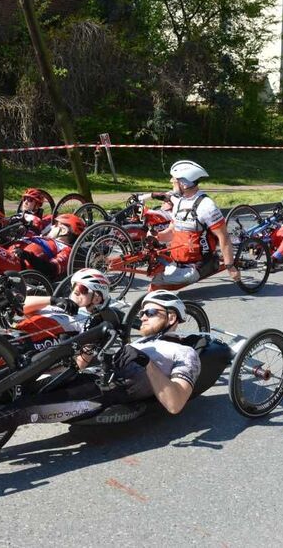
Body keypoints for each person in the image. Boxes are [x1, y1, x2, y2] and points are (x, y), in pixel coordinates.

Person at [104, 290, 201, 415]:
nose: (143, 318)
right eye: (142, 313)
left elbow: (175, 404)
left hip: (107, 390)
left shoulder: (184, 352)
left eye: (150, 313)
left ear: (171, 317)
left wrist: (147, 363)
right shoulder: (139, 343)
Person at [152, 160, 240, 288]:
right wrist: (156, 237)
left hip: (199, 264)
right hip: (178, 262)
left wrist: (230, 266)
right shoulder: (179, 202)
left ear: (184, 183)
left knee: (157, 283)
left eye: (174, 179)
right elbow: (172, 232)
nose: (171, 181)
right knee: (154, 272)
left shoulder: (206, 206)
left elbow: (224, 236)